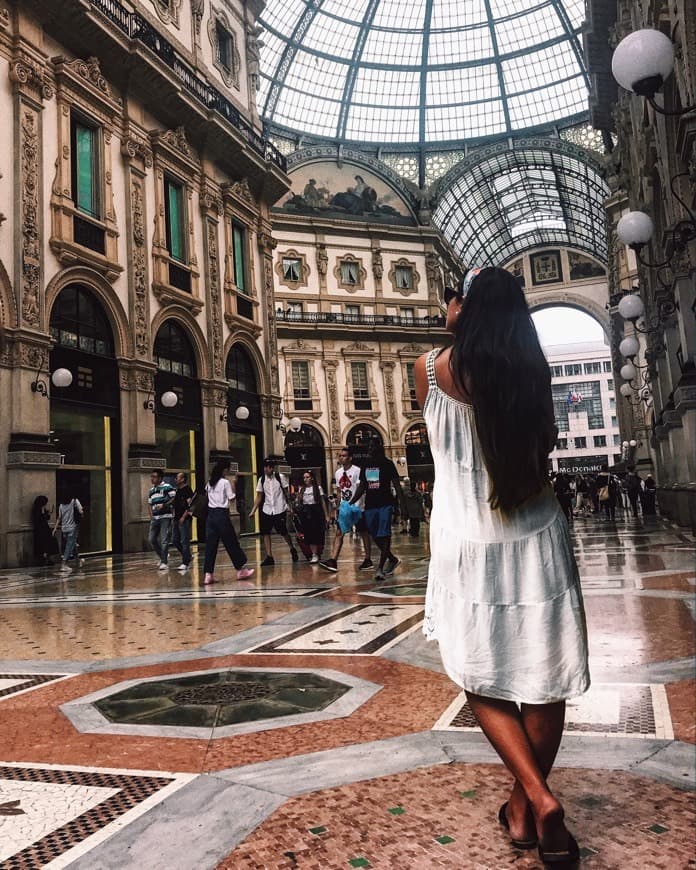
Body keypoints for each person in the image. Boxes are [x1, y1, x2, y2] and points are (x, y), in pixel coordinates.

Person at [414, 267, 589, 865]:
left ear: (467, 309)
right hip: (536, 533)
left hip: (465, 539)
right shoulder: (531, 373)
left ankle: (534, 801)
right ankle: (529, 806)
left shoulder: (429, 371)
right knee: (545, 680)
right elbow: (541, 451)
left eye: (453, 299)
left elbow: (439, 442)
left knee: (480, 674)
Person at [349, 438, 405, 582]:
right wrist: (351, 503)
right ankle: (392, 559)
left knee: (384, 534)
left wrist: (402, 506)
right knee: (375, 535)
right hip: (370, 505)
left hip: (385, 503)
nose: (369, 449)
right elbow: (362, 486)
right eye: (369, 446)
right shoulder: (366, 464)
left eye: (372, 446)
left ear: (379, 447)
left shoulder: (387, 463)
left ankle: (380, 568)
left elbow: (397, 485)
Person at [320, 446, 373, 573]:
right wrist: (338, 507)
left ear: (350, 458)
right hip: (345, 507)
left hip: (358, 507)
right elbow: (339, 491)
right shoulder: (338, 473)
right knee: (339, 532)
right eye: (340, 456)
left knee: (363, 532)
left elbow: (361, 489)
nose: (341, 458)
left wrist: (356, 504)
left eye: (344, 456)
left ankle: (368, 559)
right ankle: (333, 560)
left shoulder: (358, 471)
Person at [204, 461, 254, 585]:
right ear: (224, 470)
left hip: (210, 517)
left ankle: (208, 574)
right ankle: (240, 570)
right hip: (222, 515)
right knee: (231, 542)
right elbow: (231, 498)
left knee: (211, 546)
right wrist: (235, 484)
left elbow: (207, 496)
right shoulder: (225, 482)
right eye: (228, 470)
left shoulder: (209, 483)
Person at [249, 458, 298, 567]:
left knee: (283, 532)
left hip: (279, 509)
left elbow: (287, 494)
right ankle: (269, 556)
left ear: (273, 468)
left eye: (268, 467)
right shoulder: (261, 480)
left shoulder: (280, 478)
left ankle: (291, 548)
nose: (266, 469)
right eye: (265, 467)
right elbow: (259, 497)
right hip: (267, 510)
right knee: (265, 533)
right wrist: (253, 511)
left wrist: (290, 508)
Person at [296, 471, 330, 563]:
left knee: (317, 533)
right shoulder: (302, 489)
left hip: (316, 512)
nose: (305, 479)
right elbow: (299, 502)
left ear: (312, 478)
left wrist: (327, 515)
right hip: (306, 512)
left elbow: (322, 502)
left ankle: (317, 553)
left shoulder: (317, 488)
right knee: (308, 533)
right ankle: (313, 554)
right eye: (304, 477)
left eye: (307, 477)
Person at [147, 469, 176, 570]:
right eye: (151, 477)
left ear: (160, 478)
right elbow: (149, 504)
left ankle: (164, 562)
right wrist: (151, 516)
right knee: (152, 539)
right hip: (155, 518)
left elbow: (174, 498)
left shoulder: (167, 487)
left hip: (165, 517)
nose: (152, 479)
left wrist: (164, 505)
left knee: (164, 539)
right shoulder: (151, 490)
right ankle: (163, 555)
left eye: (154, 477)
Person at [53, 493, 84, 573]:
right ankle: (64, 564)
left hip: (64, 528)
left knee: (72, 544)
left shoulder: (61, 505)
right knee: (69, 545)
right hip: (73, 527)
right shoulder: (74, 501)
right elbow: (81, 511)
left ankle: (78, 561)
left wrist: (55, 528)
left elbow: (59, 518)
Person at [172, 471, 194, 571]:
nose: (176, 479)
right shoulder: (178, 490)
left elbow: (190, 506)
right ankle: (188, 556)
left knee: (184, 541)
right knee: (175, 540)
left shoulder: (187, 490)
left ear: (183, 479)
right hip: (176, 518)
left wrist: (183, 517)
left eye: (178, 477)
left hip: (184, 519)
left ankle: (185, 562)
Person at [32, 496, 58, 566]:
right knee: (42, 545)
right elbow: (39, 519)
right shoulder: (36, 510)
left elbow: (47, 518)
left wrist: (47, 513)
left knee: (49, 543)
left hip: (45, 529)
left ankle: (48, 558)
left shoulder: (43, 509)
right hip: (40, 530)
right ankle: (42, 559)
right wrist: (43, 513)